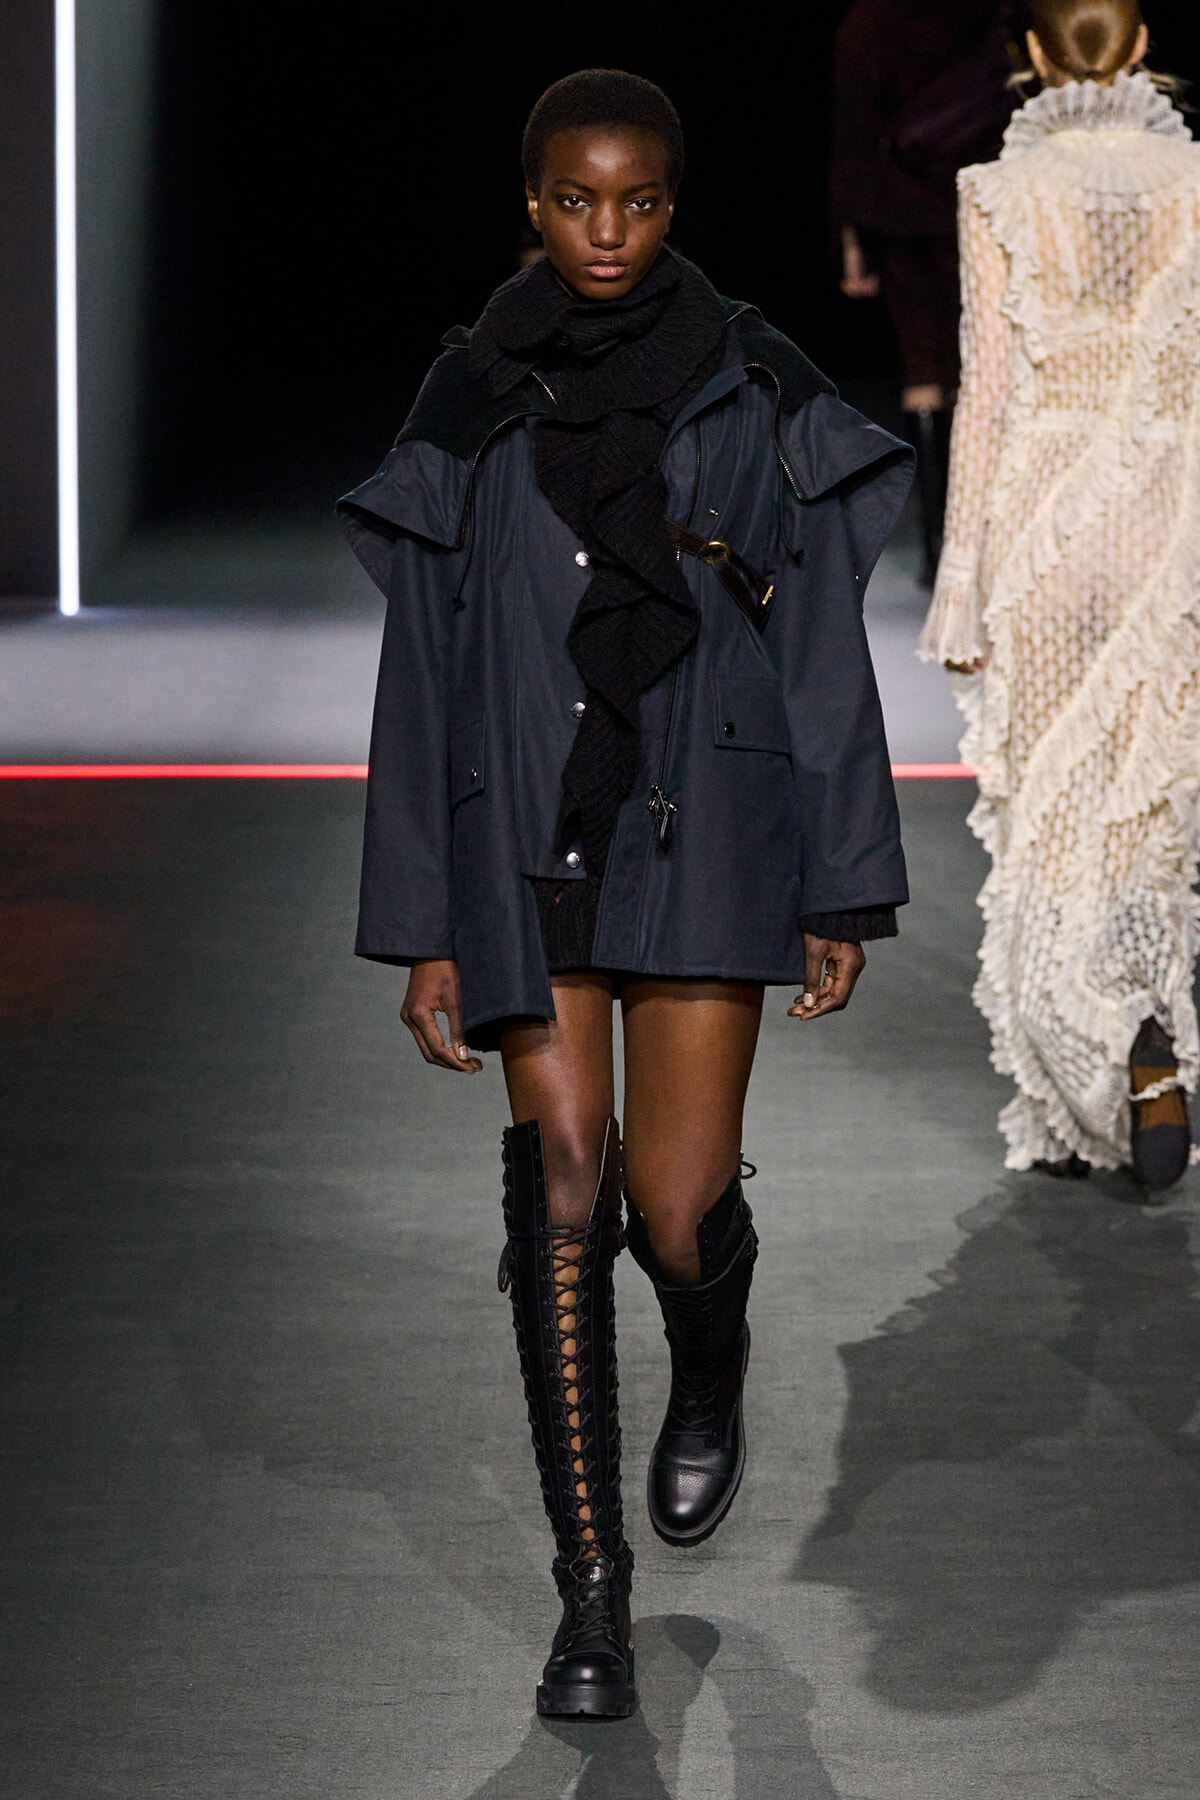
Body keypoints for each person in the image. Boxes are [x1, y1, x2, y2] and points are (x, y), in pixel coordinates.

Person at [338, 70, 912, 1721]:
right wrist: (425, 923)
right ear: (532, 204)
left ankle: (710, 1357)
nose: (608, 231)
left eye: (640, 201)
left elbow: (819, 647)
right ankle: (590, 1597)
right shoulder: (469, 394)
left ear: (673, 204)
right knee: (562, 1193)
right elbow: (422, 668)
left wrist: (839, 882)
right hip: (525, 833)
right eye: (578, 200)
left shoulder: (756, 378)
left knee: (672, 1209)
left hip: (709, 821)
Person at [920, 1, 1199, 1190]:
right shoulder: (1196, 183)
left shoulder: (996, 192)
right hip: (1169, 521)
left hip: (1043, 523)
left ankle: (1071, 1099)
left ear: (1031, 55)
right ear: (1139, 49)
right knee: (1145, 812)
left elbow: (987, 394)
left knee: (1047, 810)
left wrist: (959, 584)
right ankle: (1140, 1042)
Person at [831, 0, 1017, 582]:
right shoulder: (997, 10)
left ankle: (940, 543)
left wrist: (852, 235)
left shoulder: (872, 19)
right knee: (976, 368)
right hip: (987, 200)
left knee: (923, 367)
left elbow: (855, 130)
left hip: (901, 207)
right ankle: (972, 536)